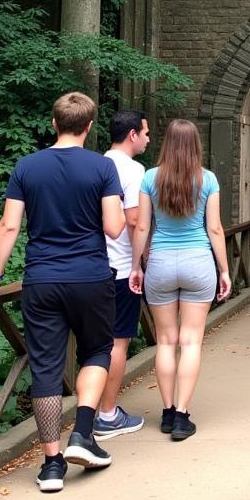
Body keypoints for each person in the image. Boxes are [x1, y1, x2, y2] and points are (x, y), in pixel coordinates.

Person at [0, 92, 124, 493]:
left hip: (41, 280)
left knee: (46, 368)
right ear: (89, 127)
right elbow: (113, 228)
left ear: (53, 123)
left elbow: (8, 227)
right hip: (90, 276)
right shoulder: (102, 167)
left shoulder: (27, 166)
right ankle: (83, 435)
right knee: (96, 351)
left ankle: (52, 465)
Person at [129, 119, 231, 441]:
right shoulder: (208, 179)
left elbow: (143, 228)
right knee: (190, 342)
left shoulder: (150, 177)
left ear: (167, 144)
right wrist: (225, 269)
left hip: (159, 262)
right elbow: (214, 228)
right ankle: (183, 417)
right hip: (198, 262)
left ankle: (167, 411)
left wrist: (136, 266)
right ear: (196, 145)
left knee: (166, 342)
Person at [92, 110, 150, 439]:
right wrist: (140, 261)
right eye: (145, 133)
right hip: (120, 267)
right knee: (117, 342)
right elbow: (132, 221)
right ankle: (107, 413)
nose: (147, 138)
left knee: (95, 342)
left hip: (91, 266)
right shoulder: (133, 170)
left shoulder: (96, 164)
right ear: (131, 135)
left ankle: (91, 408)